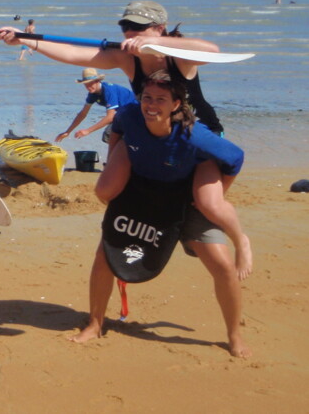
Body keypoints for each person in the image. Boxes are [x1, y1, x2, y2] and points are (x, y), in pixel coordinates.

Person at [0, 0, 236, 237]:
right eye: (126, 27)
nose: (130, 32)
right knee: (108, 191)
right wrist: (25, 40)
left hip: (199, 134)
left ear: (160, 28)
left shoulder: (178, 56)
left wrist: (156, 43)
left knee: (205, 205)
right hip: (157, 136)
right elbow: (72, 53)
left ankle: (238, 238)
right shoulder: (126, 57)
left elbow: (213, 51)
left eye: (139, 27)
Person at [70, 71, 252, 358]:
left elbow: (235, 158)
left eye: (161, 100)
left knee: (222, 266)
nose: (151, 105)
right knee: (104, 257)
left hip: (187, 194)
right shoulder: (130, 115)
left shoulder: (195, 136)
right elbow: (117, 127)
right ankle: (95, 324)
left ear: (177, 104)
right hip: (146, 193)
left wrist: (215, 196)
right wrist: (116, 159)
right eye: (147, 98)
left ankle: (234, 335)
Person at [55, 68, 136, 143]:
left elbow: (110, 117)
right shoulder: (92, 94)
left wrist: (88, 131)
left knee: (109, 134)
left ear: (97, 81)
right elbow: (83, 114)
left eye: (90, 83)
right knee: (109, 136)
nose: (88, 87)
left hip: (135, 112)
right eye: (86, 84)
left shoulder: (108, 90)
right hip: (123, 115)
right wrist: (68, 131)